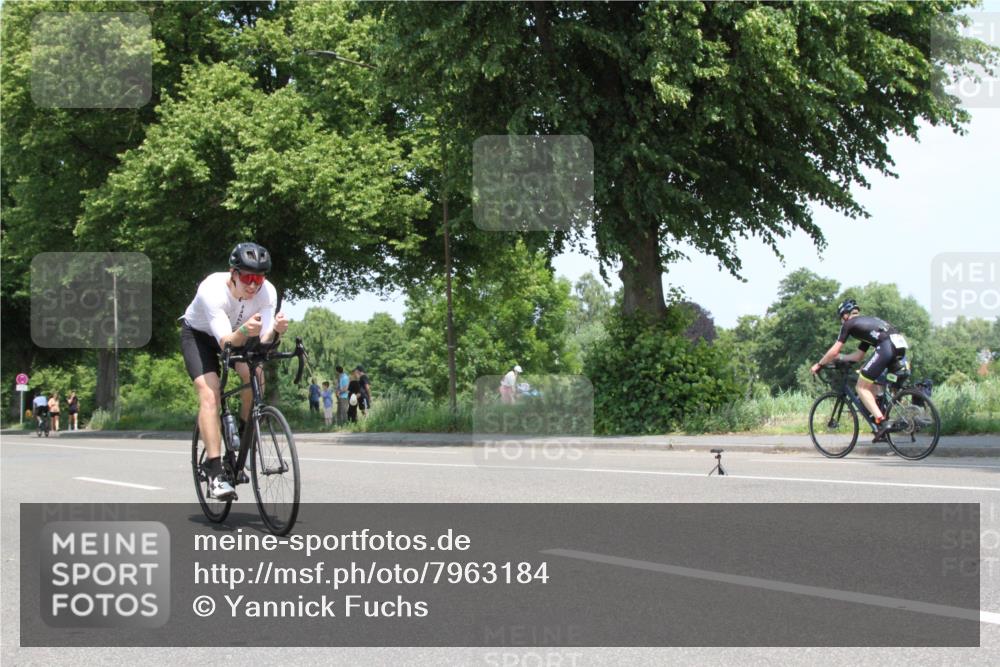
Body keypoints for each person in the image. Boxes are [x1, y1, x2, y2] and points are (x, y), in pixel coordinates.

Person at [179, 242, 289, 499]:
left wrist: (277, 332)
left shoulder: (267, 292)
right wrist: (244, 331)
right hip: (202, 337)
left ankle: (242, 439)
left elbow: (262, 342)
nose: (253, 285)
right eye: (247, 278)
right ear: (233, 273)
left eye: (259, 279)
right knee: (210, 394)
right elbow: (226, 341)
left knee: (256, 377)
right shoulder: (212, 290)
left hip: (241, 333)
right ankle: (216, 473)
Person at [811, 299, 909, 442]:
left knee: (861, 387)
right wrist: (841, 358)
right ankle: (885, 415)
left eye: (841, 317)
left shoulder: (849, 324)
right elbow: (858, 356)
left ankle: (882, 422)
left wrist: (819, 365)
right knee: (870, 377)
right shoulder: (867, 325)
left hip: (887, 346)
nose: (842, 321)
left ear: (845, 315)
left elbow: (834, 349)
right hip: (899, 345)